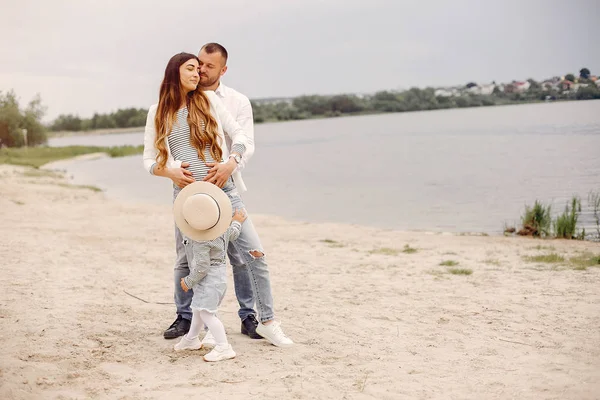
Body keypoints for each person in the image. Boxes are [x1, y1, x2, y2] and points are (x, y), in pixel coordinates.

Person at [143, 52, 293, 347]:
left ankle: (268, 322)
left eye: (199, 70)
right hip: (189, 199)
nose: (198, 74)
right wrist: (171, 172)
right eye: (191, 69)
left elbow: (240, 135)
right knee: (192, 262)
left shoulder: (210, 101)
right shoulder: (157, 112)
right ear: (175, 73)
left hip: (225, 193)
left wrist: (231, 162)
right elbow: (148, 160)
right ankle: (196, 327)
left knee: (255, 255)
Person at [172, 180, 247, 362]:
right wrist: (237, 221)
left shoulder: (200, 241)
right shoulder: (220, 230)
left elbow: (202, 267)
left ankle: (223, 347)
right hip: (219, 278)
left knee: (207, 314)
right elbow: (233, 233)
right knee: (198, 309)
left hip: (209, 280)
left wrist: (188, 281)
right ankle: (191, 339)